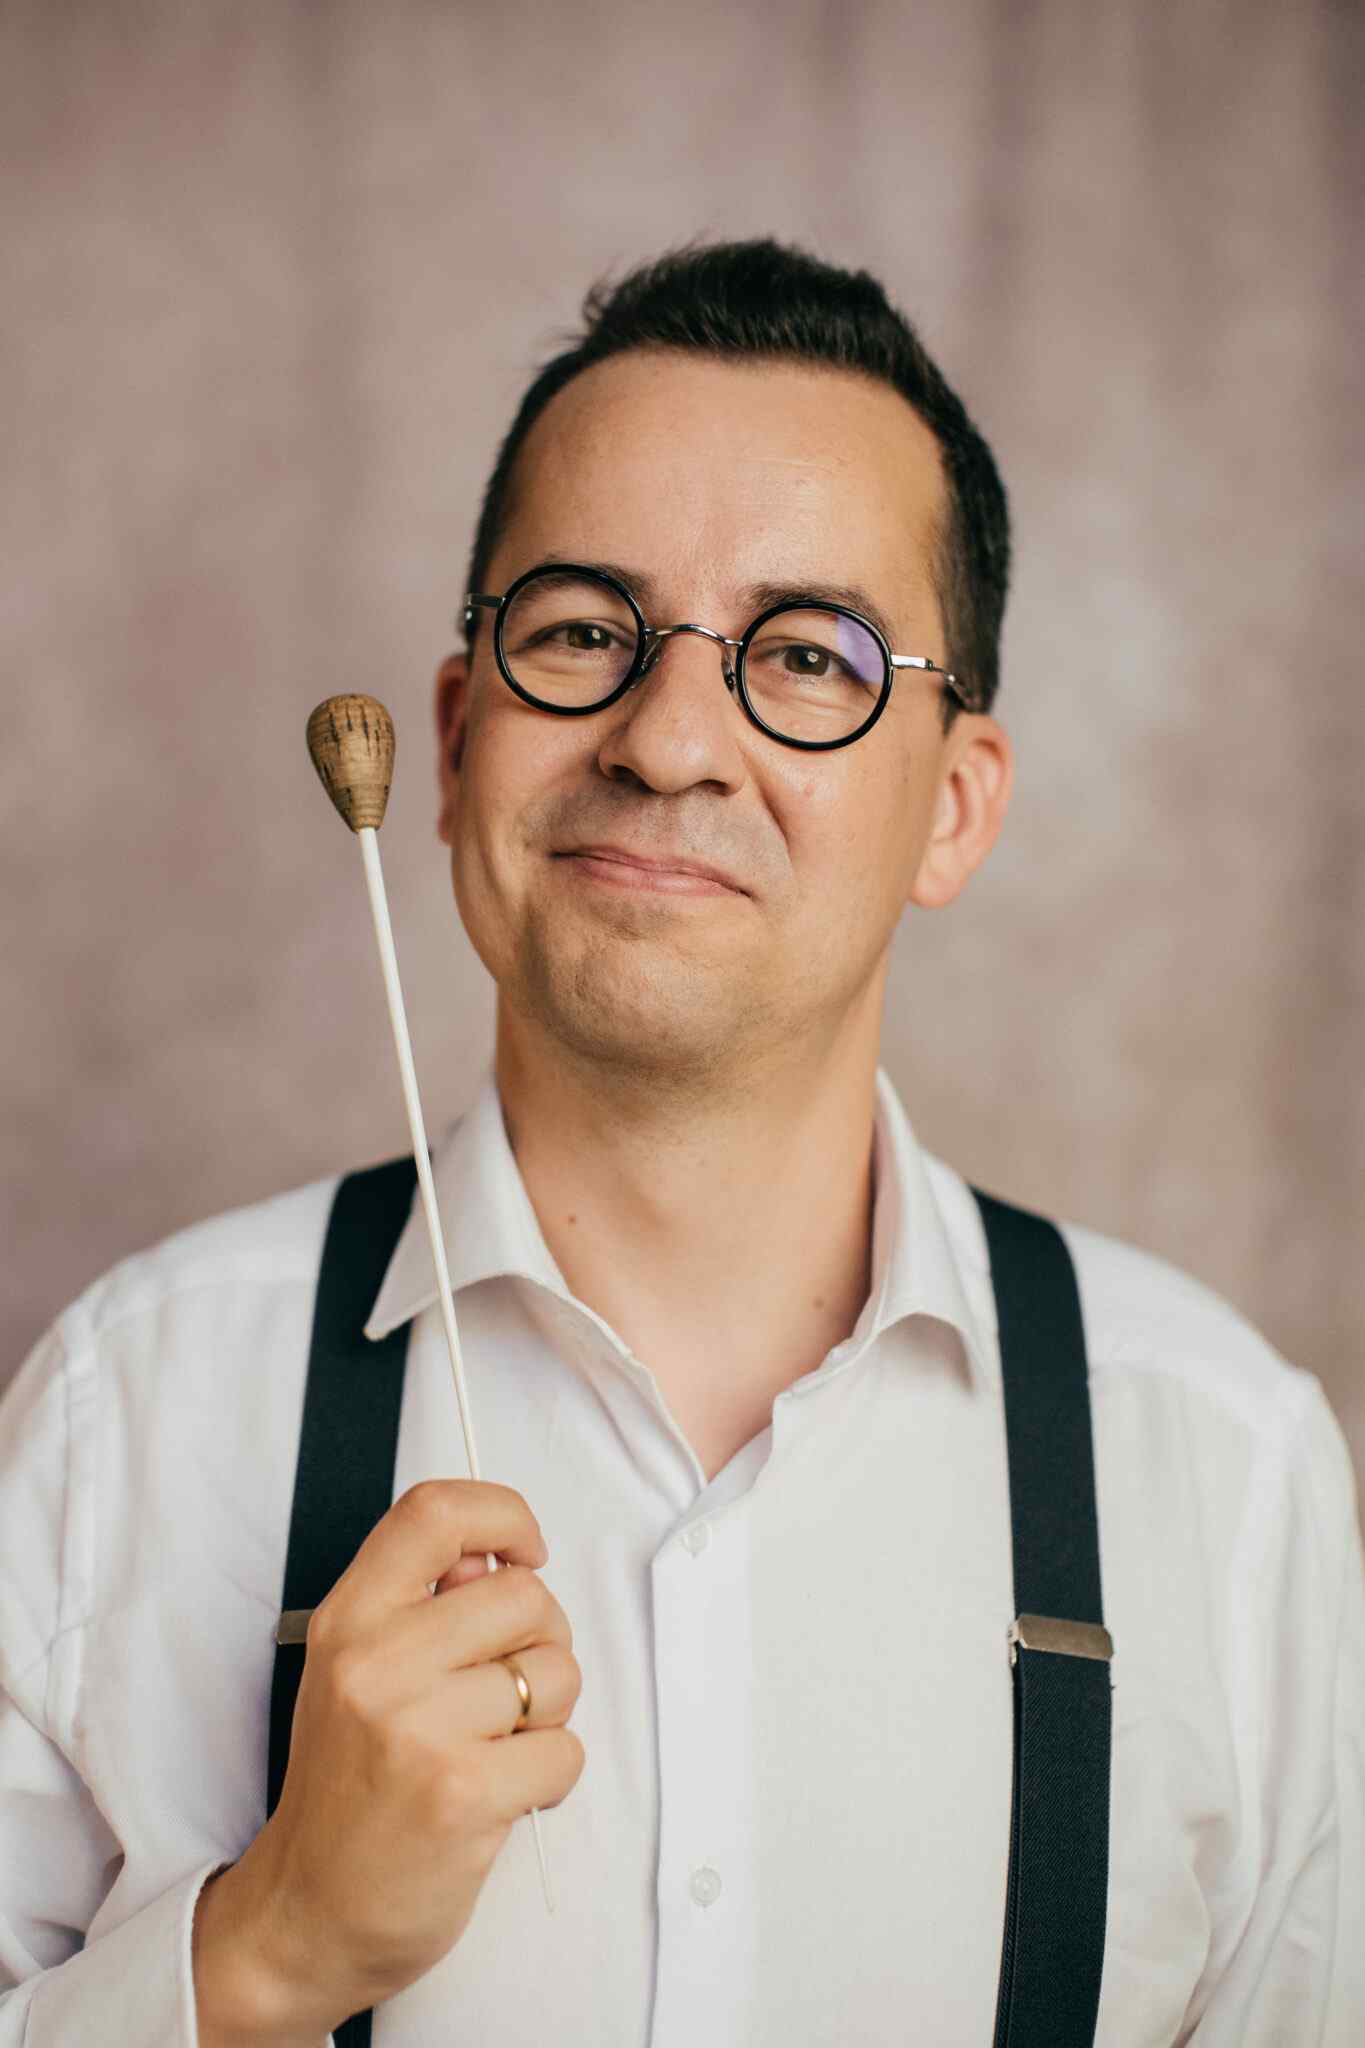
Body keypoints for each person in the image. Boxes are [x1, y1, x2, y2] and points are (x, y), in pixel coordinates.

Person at [1, 236, 1361, 2048]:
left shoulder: (1226, 1471)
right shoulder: (128, 1410)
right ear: (459, 739)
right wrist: (267, 1951)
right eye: (582, 630)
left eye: (805, 656)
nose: (665, 742)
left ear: (953, 810)